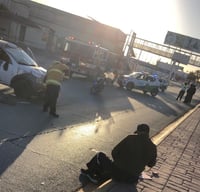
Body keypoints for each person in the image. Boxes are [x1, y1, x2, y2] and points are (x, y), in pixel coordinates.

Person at [81, 124, 157, 185]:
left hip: (118, 173)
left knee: (100, 155)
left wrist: (119, 162)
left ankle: (90, 173)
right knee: (116, 169)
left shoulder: (130, 138)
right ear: (148, 133)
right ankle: (104, 175)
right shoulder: (153, 147)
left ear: (138, 132)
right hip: (132, 179)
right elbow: (151, 164)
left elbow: (114, 152)